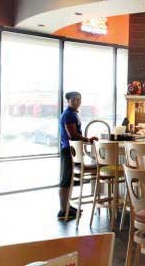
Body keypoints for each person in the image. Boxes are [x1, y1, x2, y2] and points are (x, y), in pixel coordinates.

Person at [58, 91, 98, 220]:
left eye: (79, 99)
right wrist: (88, 139)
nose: (77, 102)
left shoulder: (72, 114)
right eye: (74, 100)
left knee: (69, 180)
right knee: (65, 180)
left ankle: (67, 207)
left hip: (70, 151)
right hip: (68, 151)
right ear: (68, 101)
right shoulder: (69, 115)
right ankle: (63, 210)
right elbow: (73, 135)